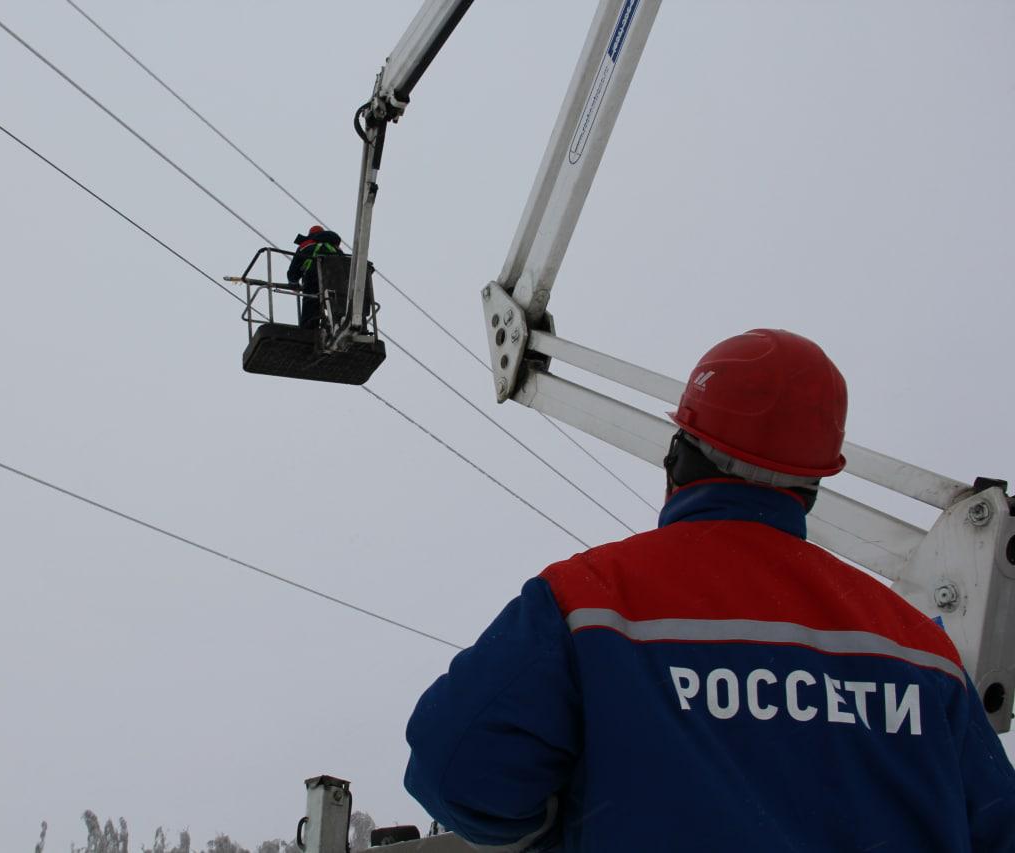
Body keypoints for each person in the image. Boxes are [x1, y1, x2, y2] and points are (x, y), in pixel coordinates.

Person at [404, 329, 1015, 852]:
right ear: (811, 486)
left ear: (678, 456)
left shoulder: (588, 599)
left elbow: (452, 766)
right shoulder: (920, 649)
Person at [287, 225, 343, 329]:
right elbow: (344, 264)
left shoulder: (306, 244)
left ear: (310, 235)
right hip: (334, 281)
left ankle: (309, 329)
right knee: (335, 305)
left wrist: (293, 282)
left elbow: (295, 267)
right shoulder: (335, 247)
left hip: (313, 278)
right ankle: (338, 325)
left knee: (310, 304)